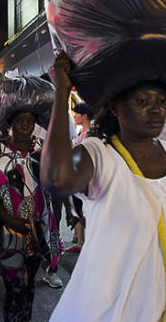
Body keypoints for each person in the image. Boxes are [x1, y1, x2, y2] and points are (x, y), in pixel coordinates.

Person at [41, 54, 166, 321]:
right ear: (115, 106)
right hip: (111, 311)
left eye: (162, 101)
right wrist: (61, 92)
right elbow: (56, 180)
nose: (155, 109)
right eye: (142, 101)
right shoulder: (98, 154)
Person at [0, 111, 62, 322]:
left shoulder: (42, 147)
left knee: (29, 285)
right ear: (11, 123)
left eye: (29, 121)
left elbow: (56, 181)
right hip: (9, 231)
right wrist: (11, 221)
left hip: (39, 229)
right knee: (14, 287)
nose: (25, 125)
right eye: (19, 121)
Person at [66, 102, 94, 253]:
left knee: (80, 208)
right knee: (77, 206)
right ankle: (79, 238)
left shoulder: (89, 135)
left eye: (77, 114)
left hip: (81, 177)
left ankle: (82, 241)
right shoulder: (81, 133)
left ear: (84, 116)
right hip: (75, 175)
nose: (74, 116)